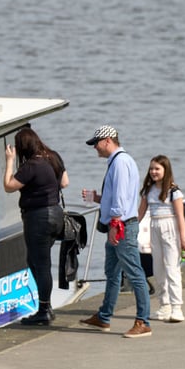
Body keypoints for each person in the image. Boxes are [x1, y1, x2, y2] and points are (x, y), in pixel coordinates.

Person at [79, 125, 152, 338]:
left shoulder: (119, 163)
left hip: (121, 226)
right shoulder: (121, 161)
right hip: (121, 224)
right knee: (112, 273)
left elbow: (120, 199)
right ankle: (104, 316)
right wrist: (97, 198)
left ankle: (143, 321)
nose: (95, 148)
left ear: (108, 140)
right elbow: (120, 196)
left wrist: (114, 225)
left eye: (96, 143)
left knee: (135, 273)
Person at [3, 127, 69, 325]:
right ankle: (45, 306)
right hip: (55, 214)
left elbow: (8, 186)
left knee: (40, 264)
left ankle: (44, 310)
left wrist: (9, 161)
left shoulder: (31, 165)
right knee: (36, 261)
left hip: (38, 218)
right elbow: (65, 182)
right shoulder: (53, 156)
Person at [138, 155, 185, 322]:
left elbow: (180, 216)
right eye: (151, 168)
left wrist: (183, 238)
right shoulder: (148, 190)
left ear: (165, 170)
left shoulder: (174, 191)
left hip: (170, 227)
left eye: (157, 169)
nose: (153, 172)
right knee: (158, 267)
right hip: (154, 226)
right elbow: (140, 213)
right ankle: (164, 305)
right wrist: (131, 228)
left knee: (172, 267)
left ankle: (177, 307)